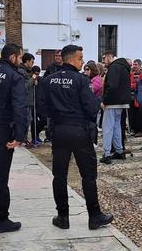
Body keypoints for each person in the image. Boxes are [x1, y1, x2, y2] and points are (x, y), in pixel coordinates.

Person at [40, 45, 113, 230]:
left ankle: (62, 216)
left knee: (59, 176)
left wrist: (55, 116)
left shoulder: (48, 80)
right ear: (71, 60)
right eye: (80, 58)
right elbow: (90, 108)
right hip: (80, 131)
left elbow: (41, 108)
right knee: (88, 176)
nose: (82, 62)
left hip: (59, 131)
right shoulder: (81, 80)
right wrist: (98, 102)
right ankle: (94, 216)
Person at [0, 43, 28, 233]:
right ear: (12, 57)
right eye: (20, 58)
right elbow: (20, 107)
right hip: (0, 132)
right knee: (0, 178)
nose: (20, 61)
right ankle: (1, 220)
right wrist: (20, 136)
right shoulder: (15, 76)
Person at [100, 51, 131, 164]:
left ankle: (107, 153)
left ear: (110, 56)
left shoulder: (114, 67)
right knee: (117, 126)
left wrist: (105, 101)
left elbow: (111, 86)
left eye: (104, 58)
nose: (103, 61)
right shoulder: (124, 66)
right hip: (122, 102)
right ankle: (119, 151)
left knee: (107, 128)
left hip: (112, 102)